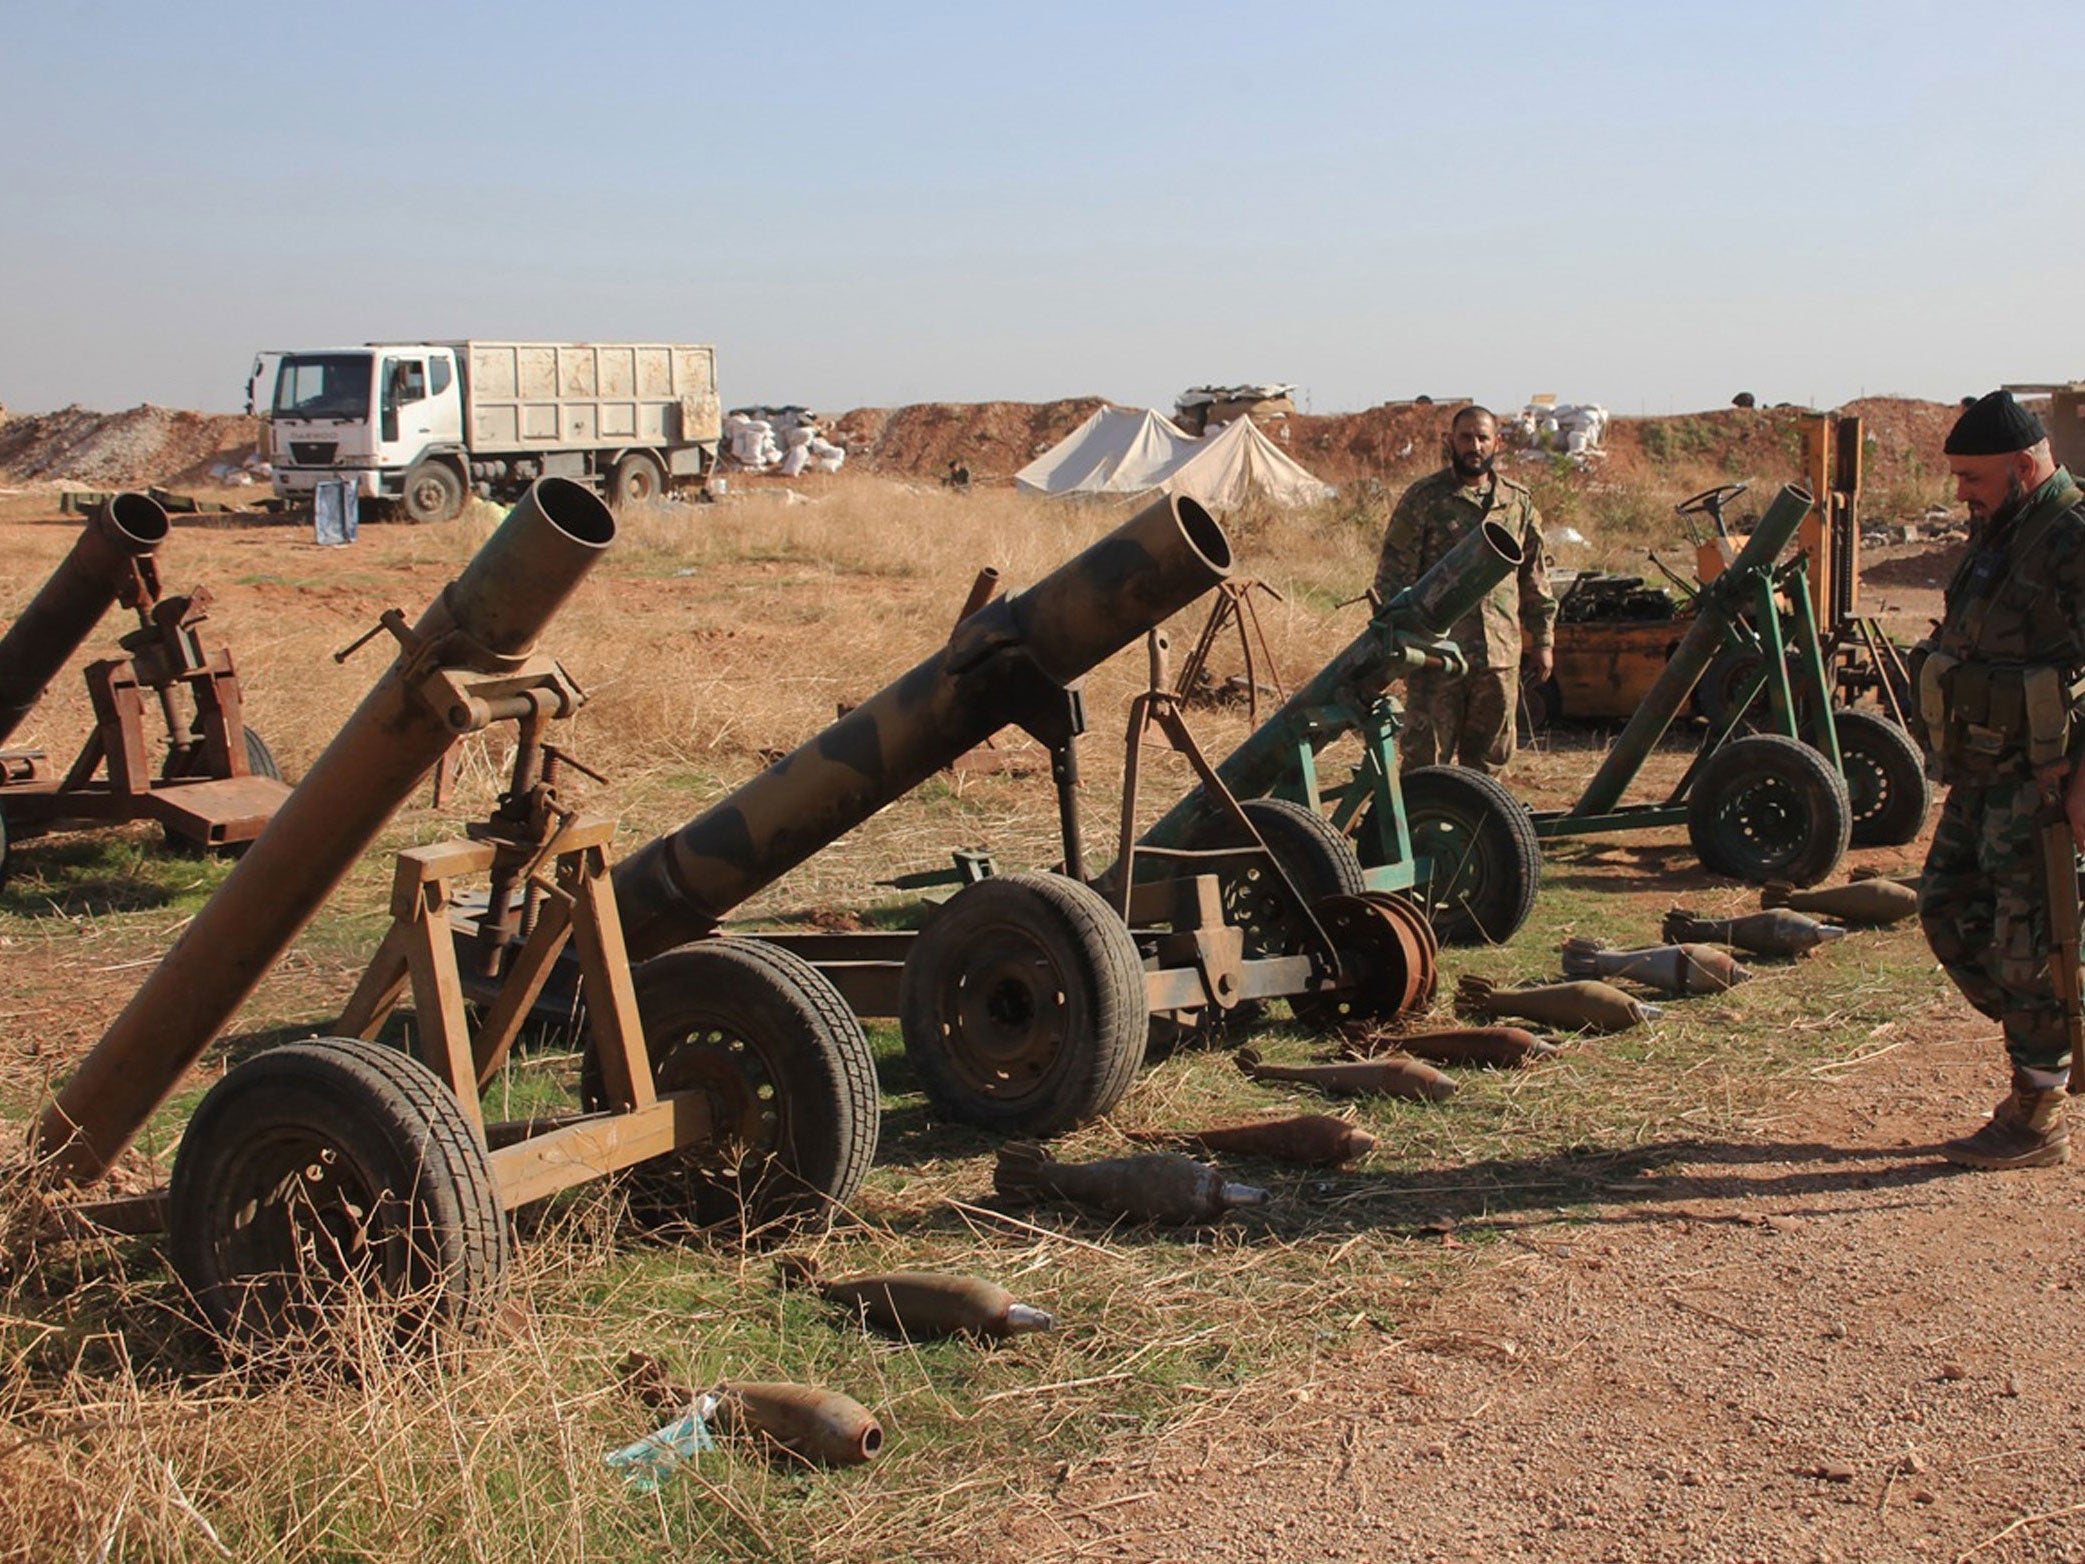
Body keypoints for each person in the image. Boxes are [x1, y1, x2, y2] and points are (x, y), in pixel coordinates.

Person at [1916, 389, 2085, 1168]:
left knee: (2032, 943)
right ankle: (2048, 1021)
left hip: (2041, 785)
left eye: (1971, 477)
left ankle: (2036, 1108)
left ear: (2022, 466)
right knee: (1944, 909)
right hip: (1981, 774)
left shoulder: (2070, 534)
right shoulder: (1999, 529)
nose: (1959, 493)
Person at [1372, 404, 1555, 772]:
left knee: (1490, 764)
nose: (1475, 445)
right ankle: (1418, 828)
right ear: (1450, 441)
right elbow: (1393, 576)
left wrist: (1543, 640)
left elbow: (1534, 577)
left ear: (1497, 443)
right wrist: (1398, 643)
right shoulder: (1424, 499)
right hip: (1438, 657)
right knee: (1425, 762)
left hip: (1498, 658)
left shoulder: (1517, 503)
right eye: (1466, 437)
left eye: (1482, 438)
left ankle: (1481, 829)